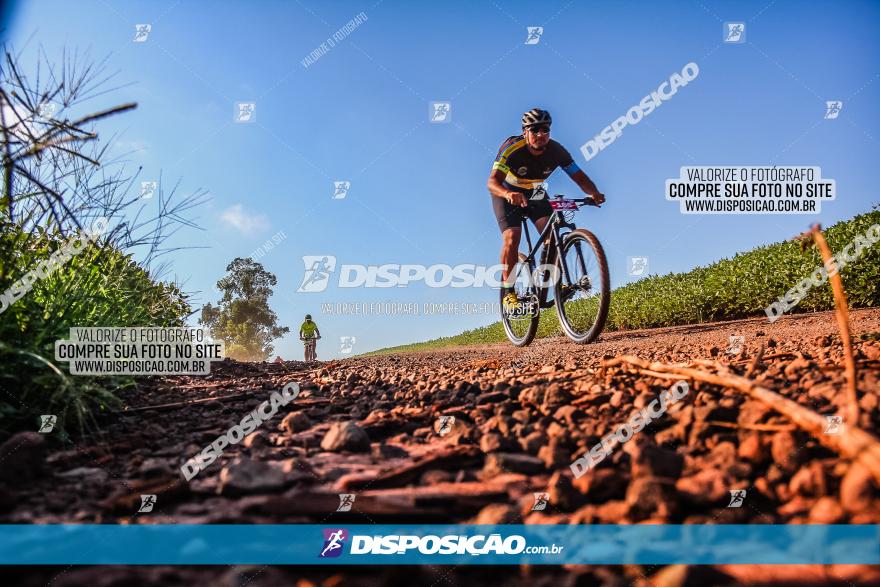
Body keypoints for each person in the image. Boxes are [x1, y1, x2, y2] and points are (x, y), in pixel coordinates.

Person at [487, 108, 605, 312]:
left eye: (545, 130)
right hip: (507, 193)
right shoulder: (512, 148)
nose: (541, 135)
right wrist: (508, 195)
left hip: (535, 192)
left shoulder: (556, 151)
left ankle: (549, 282)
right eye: (535, 130)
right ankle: (509, 293)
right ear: (525, 132)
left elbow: (579, 177)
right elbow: (492, 182)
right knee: (512, 237)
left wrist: (594, 193)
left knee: (552, 235)